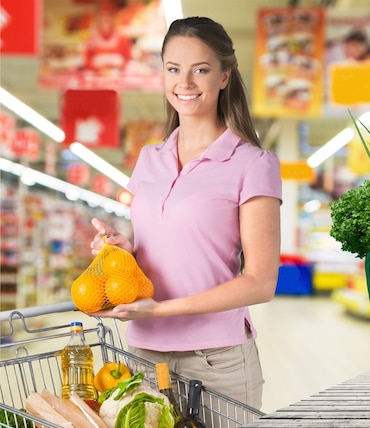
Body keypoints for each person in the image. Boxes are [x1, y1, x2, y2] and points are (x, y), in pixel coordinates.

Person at [88, 16, 282, 410]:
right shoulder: (149, 158)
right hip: (144, 354)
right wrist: (124, 252)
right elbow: (160, 250)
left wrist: (162, 310)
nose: (185, 83)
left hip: (215, 360)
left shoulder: (253, 163)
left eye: (201, 70)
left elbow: (260, 282)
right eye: (174, 69)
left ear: (225, 76)